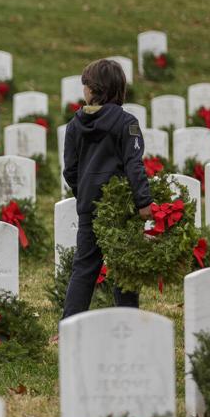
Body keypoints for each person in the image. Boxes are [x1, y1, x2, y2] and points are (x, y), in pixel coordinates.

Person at [62, 59, 153, 318]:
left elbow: (70, 170)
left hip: (90, 208)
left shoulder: (74, 125)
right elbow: (133, 164)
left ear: (92, 90)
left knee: (84, 267)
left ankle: (68, 324)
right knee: (124, 266)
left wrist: (87, 195)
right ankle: (128, 318)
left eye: (85, 86)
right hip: (122, 210)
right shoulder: (127, 123)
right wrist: (143, 202)